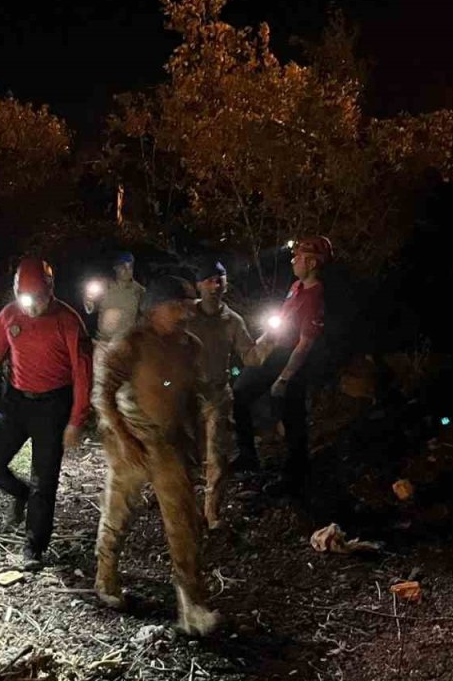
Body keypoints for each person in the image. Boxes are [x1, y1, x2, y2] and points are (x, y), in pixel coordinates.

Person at [92, 276, 219, 636]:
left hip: (168, 443)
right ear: (155, 309)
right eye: (177, 305)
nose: (185, 312)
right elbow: (103, 392)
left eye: (187, 305)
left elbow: (192, 396)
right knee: (117, 510)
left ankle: (190, 601)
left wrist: (195, 441)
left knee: (183, 523)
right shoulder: (130, 344)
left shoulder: (189, 346)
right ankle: (105, 578)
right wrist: (122, 436)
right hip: (131, 440)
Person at [0, 258, 93, 570]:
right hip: (17, 401)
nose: (32, 307)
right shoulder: (10, 315)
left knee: (43, 480)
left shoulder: (69, 321)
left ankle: (33, 547)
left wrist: (76, 420)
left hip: (53, 406)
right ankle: (21, 495)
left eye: (38, 299)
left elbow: (83, 374)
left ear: (50, 291)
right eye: (26, 299)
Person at [232, 236, 332, 495]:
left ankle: (295, 475)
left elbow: (305, 344)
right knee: (240, 392)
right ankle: (247, 455)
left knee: (292, 416)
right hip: (275, 354)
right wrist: (261, 346)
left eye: (298, 257)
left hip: (292, 361)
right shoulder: (298, 286)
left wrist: (284, 379)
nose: (293, 260)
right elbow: (283, 320)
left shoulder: (314, 296)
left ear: (311, 262)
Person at [183, 261, 261, 529]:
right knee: (187, 455)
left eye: (221, 280)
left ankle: (211, 512)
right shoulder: (185, 315)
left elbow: (251, 357)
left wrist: (271, 338)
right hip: (187, 395)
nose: (216, 285)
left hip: (217, 394)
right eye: (210, 280)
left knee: (217, 456)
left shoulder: (233, 321)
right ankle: (187, 509)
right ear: (198, 285)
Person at [84, 252, 145, 361]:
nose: (127, 270)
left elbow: (143, 317)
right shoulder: (105, 287)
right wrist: (89, 300)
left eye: (130, 266)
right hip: (104, 344)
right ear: (116, 268)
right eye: (123, 266)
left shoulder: (139, 291)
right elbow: (91, 310)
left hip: (126, 346)